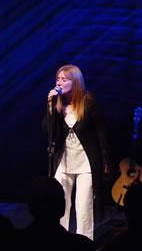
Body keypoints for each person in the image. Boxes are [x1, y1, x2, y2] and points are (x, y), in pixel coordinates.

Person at [44, 64, 110, 240]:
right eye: (57, 79)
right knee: (60, 205)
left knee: (83, 208)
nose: (59, 82)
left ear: (75, 82)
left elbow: (101, 131)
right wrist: (50, 107)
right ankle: (60, 241)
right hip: (63, 162)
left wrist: (104, 159)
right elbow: (47, 130)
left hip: (85, 163)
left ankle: (84, 244)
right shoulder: (57, 104)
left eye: (64, 79)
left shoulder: (88, 102)